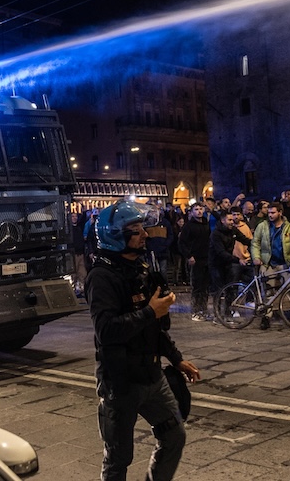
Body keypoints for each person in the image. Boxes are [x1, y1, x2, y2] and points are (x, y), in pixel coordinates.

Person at [85, 201, 201, 481]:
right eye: (136, 230)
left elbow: (155, 328)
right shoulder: (102, 277)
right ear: (115, 235)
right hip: (121, 381)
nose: (145, 235)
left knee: (174, 435)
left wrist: (176, 358)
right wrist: (151, 311)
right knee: (118, 458)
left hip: (152, 376)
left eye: (142, 228)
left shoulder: (141, 268)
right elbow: (107, 331)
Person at [178, 202, 212, 320]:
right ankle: (196, 310)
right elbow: (182, 243)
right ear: (192, 212)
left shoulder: (206, 224)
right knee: (197, 286)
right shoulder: (188, 226)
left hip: (206, 258)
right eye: (196, 209)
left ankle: (204, 309)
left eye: (201, 209)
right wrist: (189, 256)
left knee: (205, 286)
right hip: (195, 259)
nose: (199, 211)